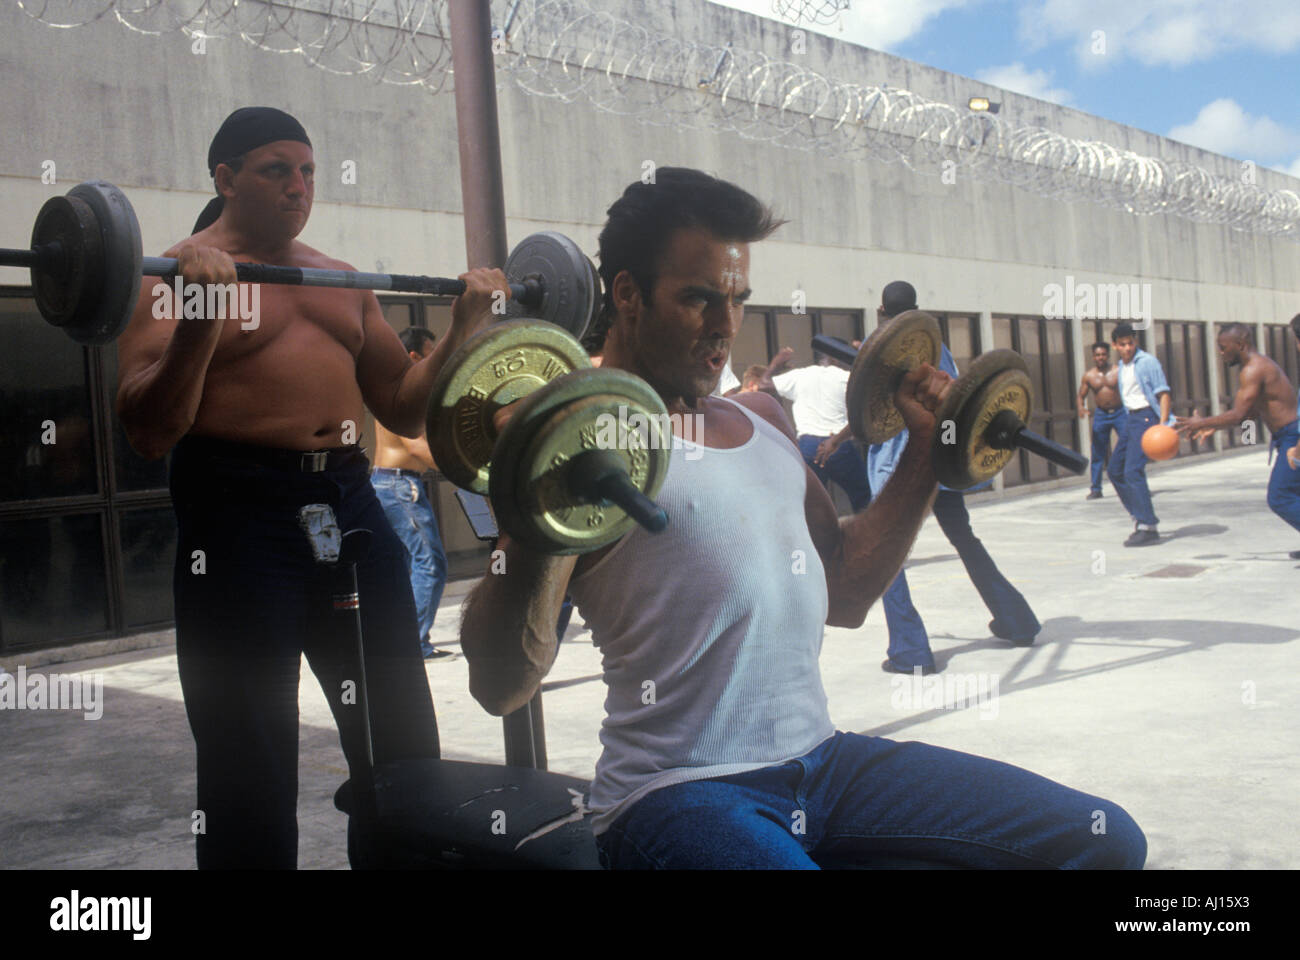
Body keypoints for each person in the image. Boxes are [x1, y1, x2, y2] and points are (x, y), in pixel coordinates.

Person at [460, 167, 1145, 870]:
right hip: (678, 795)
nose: (726, 326)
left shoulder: (759, 418)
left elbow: (845, 593)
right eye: (698, 299)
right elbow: (501, 684)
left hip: (824, 765)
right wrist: (542, 504)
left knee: (1102, 840)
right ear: (628, 295)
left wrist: (924, 449)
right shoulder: (581, 436)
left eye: (737, 299)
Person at [115, 107, 503, 868]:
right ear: (225, 179)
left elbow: (401, 403)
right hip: (237, 513)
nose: (299, 187)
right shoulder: (166, 279)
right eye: (276, 170)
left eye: (309, 171)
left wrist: (462, 329)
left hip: (349, 506)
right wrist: (201, 319)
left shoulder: (341, 281)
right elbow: (151, 430)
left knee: (399, 738)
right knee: (247, 752)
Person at [867, 282, 1039, 674]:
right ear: (916, 309)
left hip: (900, 472)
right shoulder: (939, 348)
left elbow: (868, 417)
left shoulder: (876, 350)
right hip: (940, 467)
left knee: (889, 559)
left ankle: (911, 652)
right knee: (966, 541)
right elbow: (958, 407)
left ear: (881, 311)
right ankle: (1018, 623)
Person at [1176, 323, 1300, 550]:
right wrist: (1215, 426)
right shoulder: (1257, 366)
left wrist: (1200, 422)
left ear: (1240, 344)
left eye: (1223, 348)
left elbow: (1239, 414)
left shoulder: (1253, 369)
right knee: (1292, 494)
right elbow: (1251, 412)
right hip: (1287, 436)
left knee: (1280, 497)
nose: (1220, 353)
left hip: (1293, 437)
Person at [370, 326, 453, 660]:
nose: (436, 360)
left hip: (391, 484)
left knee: (405, 567)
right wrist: (462, 470)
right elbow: (415, 444)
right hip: (399, 487)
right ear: (415, 356)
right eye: (431, 353)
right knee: (431, 564)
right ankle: (413, 643)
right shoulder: (407, 389)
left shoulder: (398, 387)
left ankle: (399, 640)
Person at [763, 346, 872, 512]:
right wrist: (835, 441)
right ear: (836, 359)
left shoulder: (801, 375)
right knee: (863, 496)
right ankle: (865, 536)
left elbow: (763, 386)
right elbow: (860, 416)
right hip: (838, 444)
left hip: (808, 446)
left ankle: (816, 537)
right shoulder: (847, 378)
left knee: (810, 505)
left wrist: (775, 364)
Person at [1109, 322, 1174, 547]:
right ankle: (1138, 517)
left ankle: (1148, 527)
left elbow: (1163, 394)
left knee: (1133, 471)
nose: (1127, 348)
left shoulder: (1147, 362)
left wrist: (1163, 425)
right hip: (1130, 419)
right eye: (1122, 344)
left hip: (1147, 417)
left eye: (1130, 343)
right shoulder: (1121, 366)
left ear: (1135, 342)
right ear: (1115, 345)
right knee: (1115, 470)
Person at [1077, 342, 1123, 500]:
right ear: (1093, 357)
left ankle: (1131, 484)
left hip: (1120, 412)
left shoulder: (1118, 371)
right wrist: (1081, 409)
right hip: (1101, 415)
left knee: (1130, 446)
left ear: (1108, 355)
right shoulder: (1089, 375)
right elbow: (1080, 395)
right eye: (1097, 355)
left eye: (1103, 354)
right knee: (1097, 452)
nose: (1100, 357)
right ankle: (1096, 489)